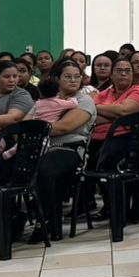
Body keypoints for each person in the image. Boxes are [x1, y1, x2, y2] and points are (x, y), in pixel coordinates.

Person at [33, 59, 96, 229]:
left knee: (44, 167)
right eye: (68, 76)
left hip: (70, 149)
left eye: (77, 76)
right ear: (57, 78)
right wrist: (32, 129)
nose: (73, 80)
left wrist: (35, 129)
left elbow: (64, 127)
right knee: (0, 165)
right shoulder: (46, 100)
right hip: (41, 147)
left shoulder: (84, 100)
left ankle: (45, 223)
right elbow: (25, 124)